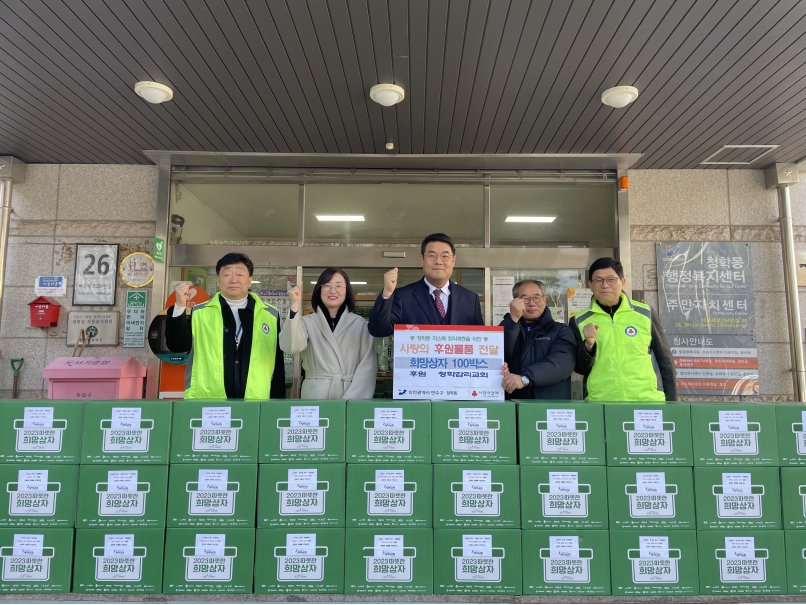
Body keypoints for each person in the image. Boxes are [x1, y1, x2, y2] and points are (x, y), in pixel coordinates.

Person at [165, 252, 286, 400]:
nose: (233, 280)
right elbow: (177, 346)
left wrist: (277, 401)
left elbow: (277, 363)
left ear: (250, 280)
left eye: (240, 274)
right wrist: (179, 306)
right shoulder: (200, 312)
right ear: (218, 281)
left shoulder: (270, 314)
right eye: (227, 274)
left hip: (256, 400)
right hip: (208, 400)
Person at [569, 257, 677, 402]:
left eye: (611, 279)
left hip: (647, 401)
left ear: (623, 282)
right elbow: (580, 368)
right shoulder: (579, 320)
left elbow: (665, 360)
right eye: (598, 280)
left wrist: (672, 403)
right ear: (590, 284)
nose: (605, 285)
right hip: (600, 401)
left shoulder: (645, 313)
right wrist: (588, 346)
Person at [279, 268, 376, 399]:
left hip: (349, 393)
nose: (332, 290)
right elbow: (291, 347)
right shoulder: (307, 322)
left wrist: (352, 401)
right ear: (319, 289)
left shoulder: (359, 324)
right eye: (327, 286)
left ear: (347, 290)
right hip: (315, 394)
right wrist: (295, 306)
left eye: (338, 286)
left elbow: (367, 367)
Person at [368, 233, 484, 336]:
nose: (438, 261)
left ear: (453, 260)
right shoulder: (403, 297)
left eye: (445, 256)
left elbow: (481, 339)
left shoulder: (470, 299)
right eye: (432, 255)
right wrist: (387, 294)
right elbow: (378, 330)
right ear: (422, 259)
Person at [499, 279, 576, 399]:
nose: (532, 303)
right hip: (512, 404)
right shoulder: (506, 328)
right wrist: (512, 320)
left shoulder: (561, 331)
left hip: (549, 407)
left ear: (544, 300)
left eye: (537, 297)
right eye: (525, 298)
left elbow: (561, 364)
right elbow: (498, 354)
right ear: (514, 302)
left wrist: (524, 379)